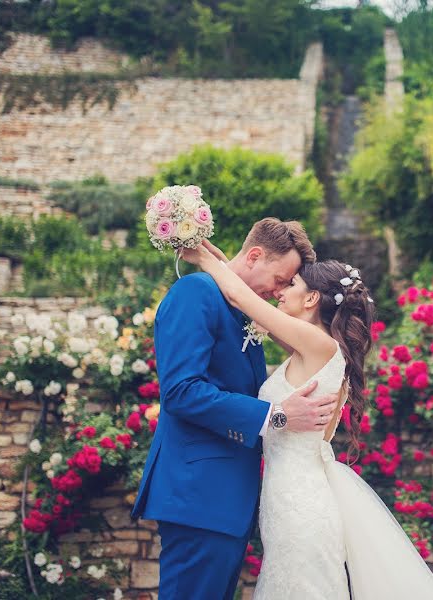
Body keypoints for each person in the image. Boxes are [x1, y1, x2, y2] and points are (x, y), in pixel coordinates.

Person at [182, 240, 433, 600]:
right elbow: (240, 298)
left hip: (300, 504)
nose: (280, 290)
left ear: (311, 300)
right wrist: (221, 259)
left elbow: (244, 300)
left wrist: (202, 259)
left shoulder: (317, 344)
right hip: (287, 500)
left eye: (291, 284)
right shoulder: (309, 346)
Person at [131, 218, 341, 600]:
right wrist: (275, 416)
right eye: (280, 278)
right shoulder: (195, 292)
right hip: (200, 495)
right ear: (256, 255)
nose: (279, 290)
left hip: (227, 501)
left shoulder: (241, 308)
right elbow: (181, 391)